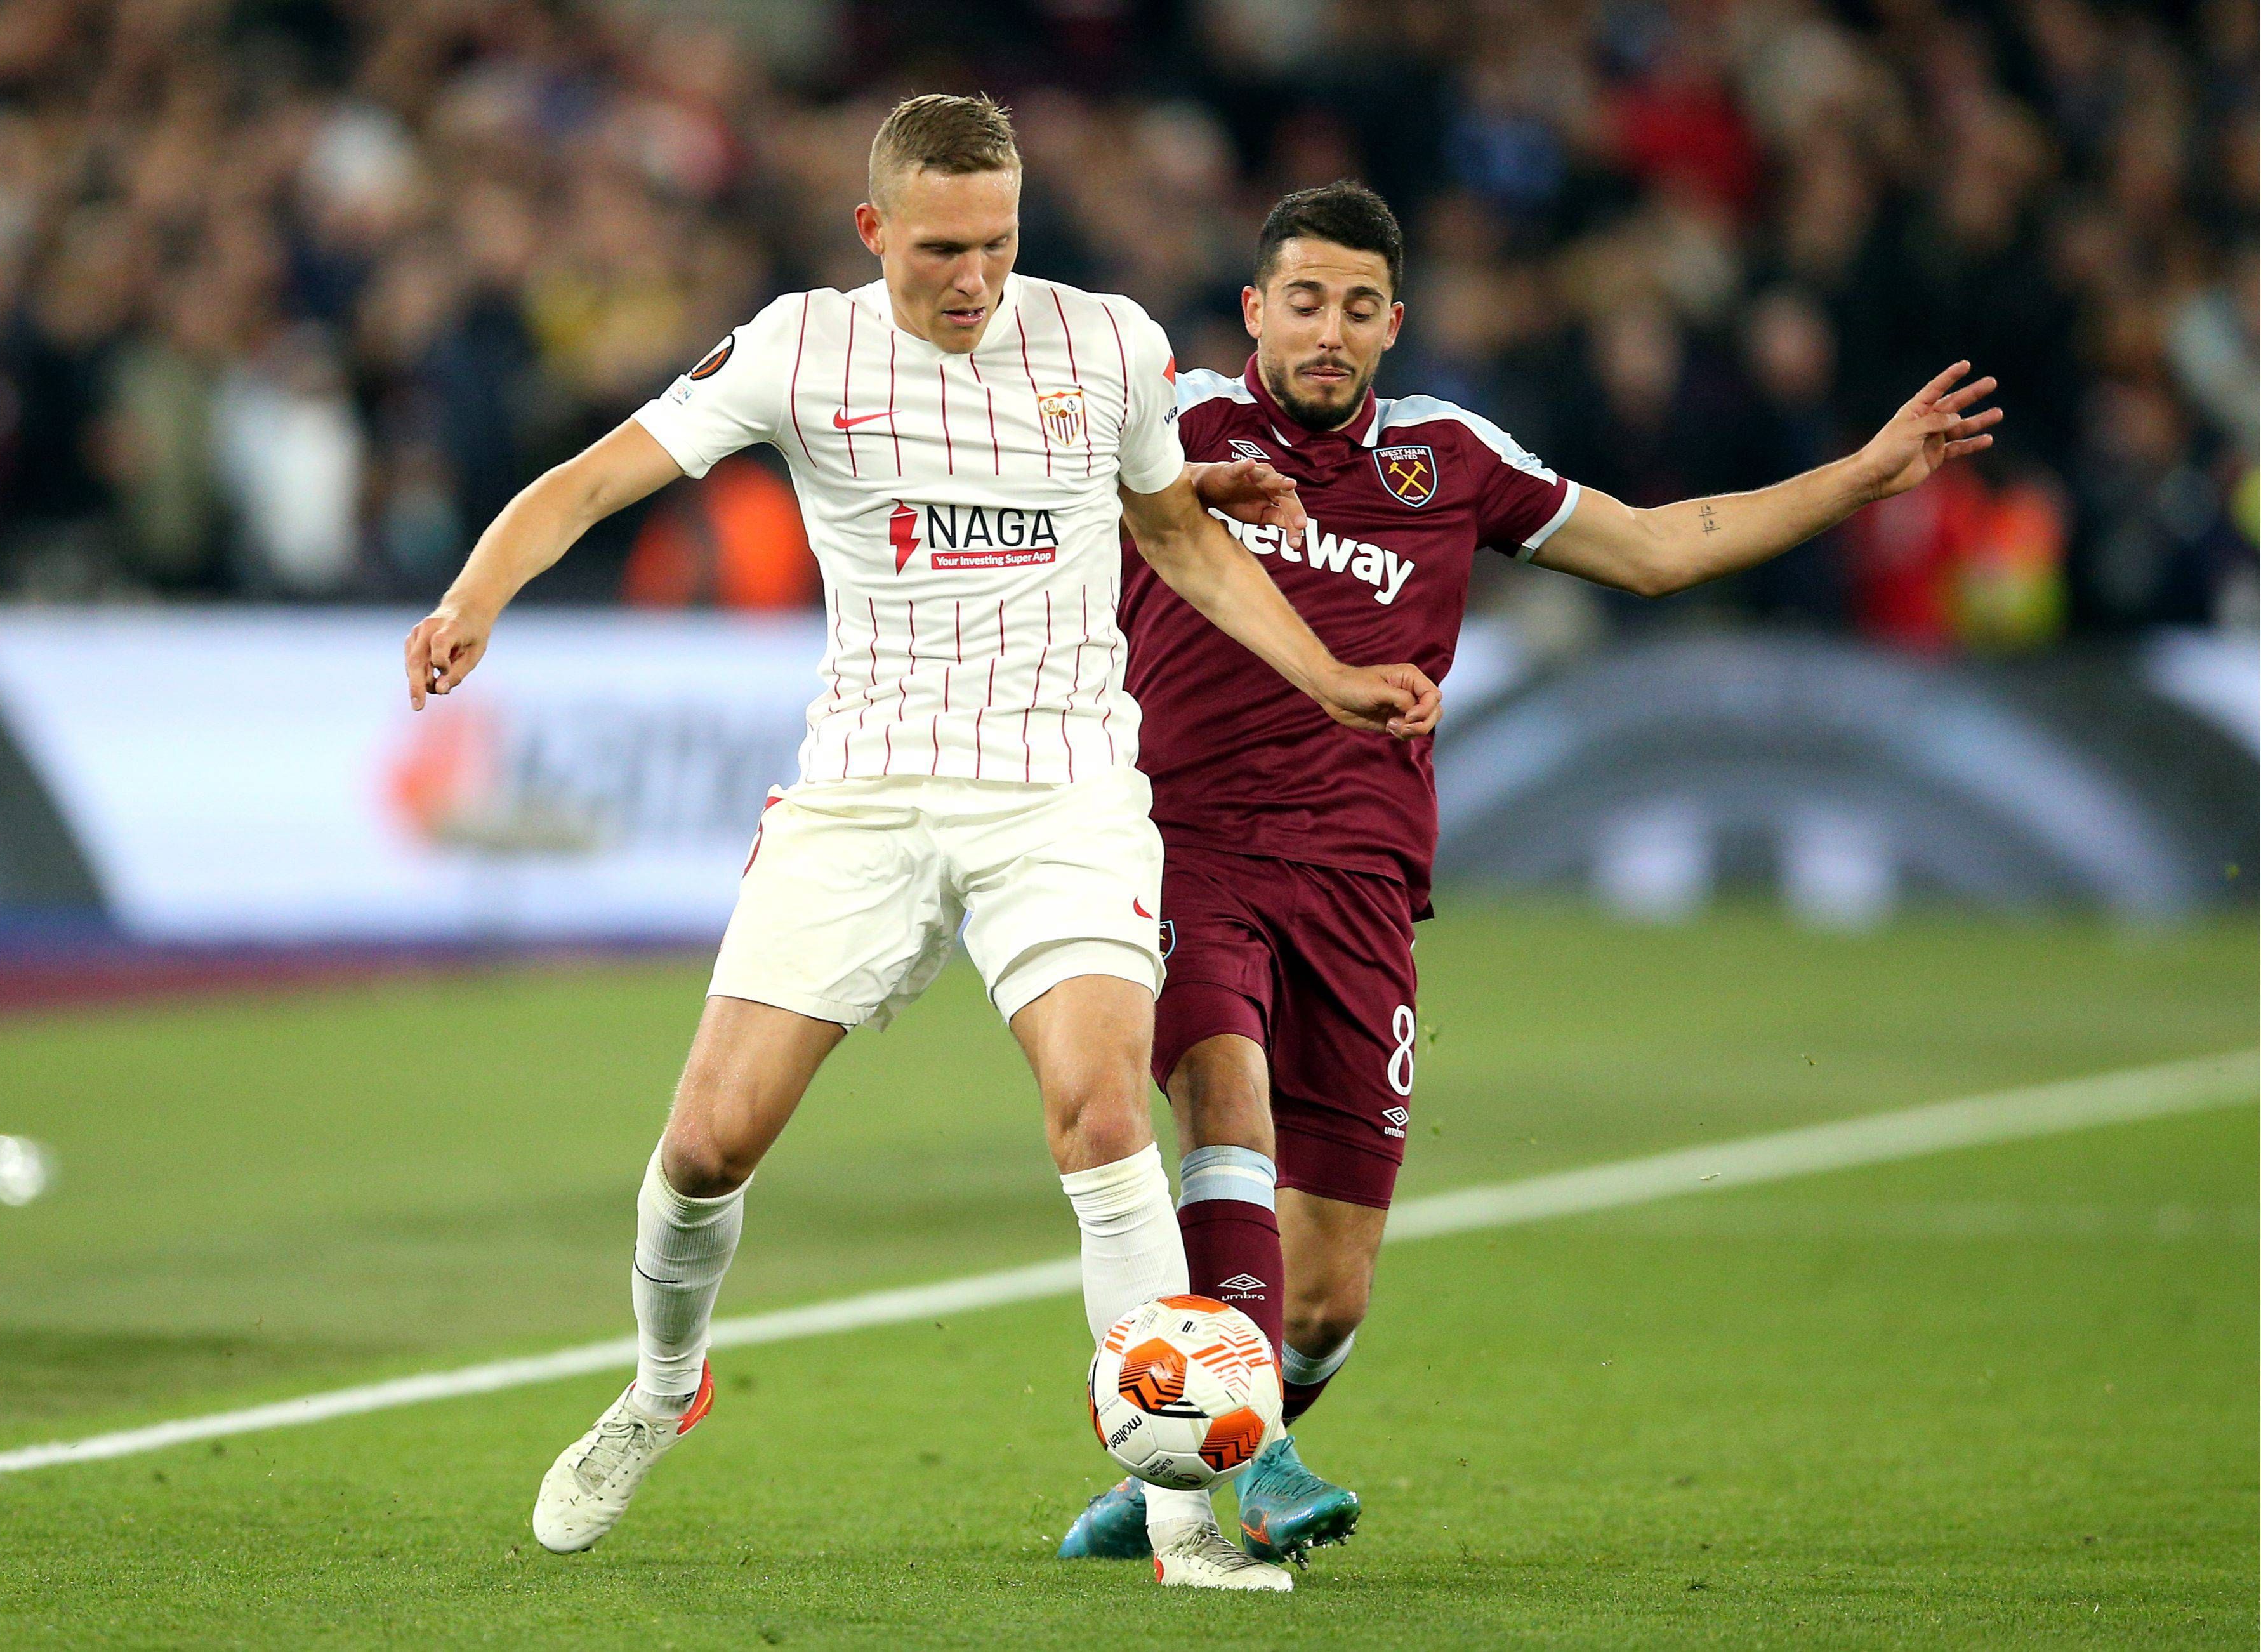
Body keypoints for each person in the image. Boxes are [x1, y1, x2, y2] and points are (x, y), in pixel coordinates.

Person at [402, 102, 1444, 1592]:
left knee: (1101, 1119)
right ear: (873, 231)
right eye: (944, 248)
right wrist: (472, 599)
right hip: (865, 793)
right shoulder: (795, 349)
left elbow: (1181, 536)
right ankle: (658, 1389)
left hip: (1061, 790)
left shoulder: (1107, 344)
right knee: (707, 1147)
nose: (975, 277)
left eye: (1000, 244)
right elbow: (591, 480)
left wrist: (1331, 677)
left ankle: (1184, 1523)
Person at [1062, 180, 2001, 1566]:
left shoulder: (1448, 457)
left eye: (1360, 307)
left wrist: (1861, 477)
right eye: (1304, 300)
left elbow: (1656, 549)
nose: (1330, 329)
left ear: (1396, 323)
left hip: (1367, 886)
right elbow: (1015, 499)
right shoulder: (1169, 424)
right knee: (1226, 1103)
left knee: (1329, 1297)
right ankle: (1251, 1462)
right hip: (1184, 845)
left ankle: (1174, 1471)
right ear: (1256, 310)